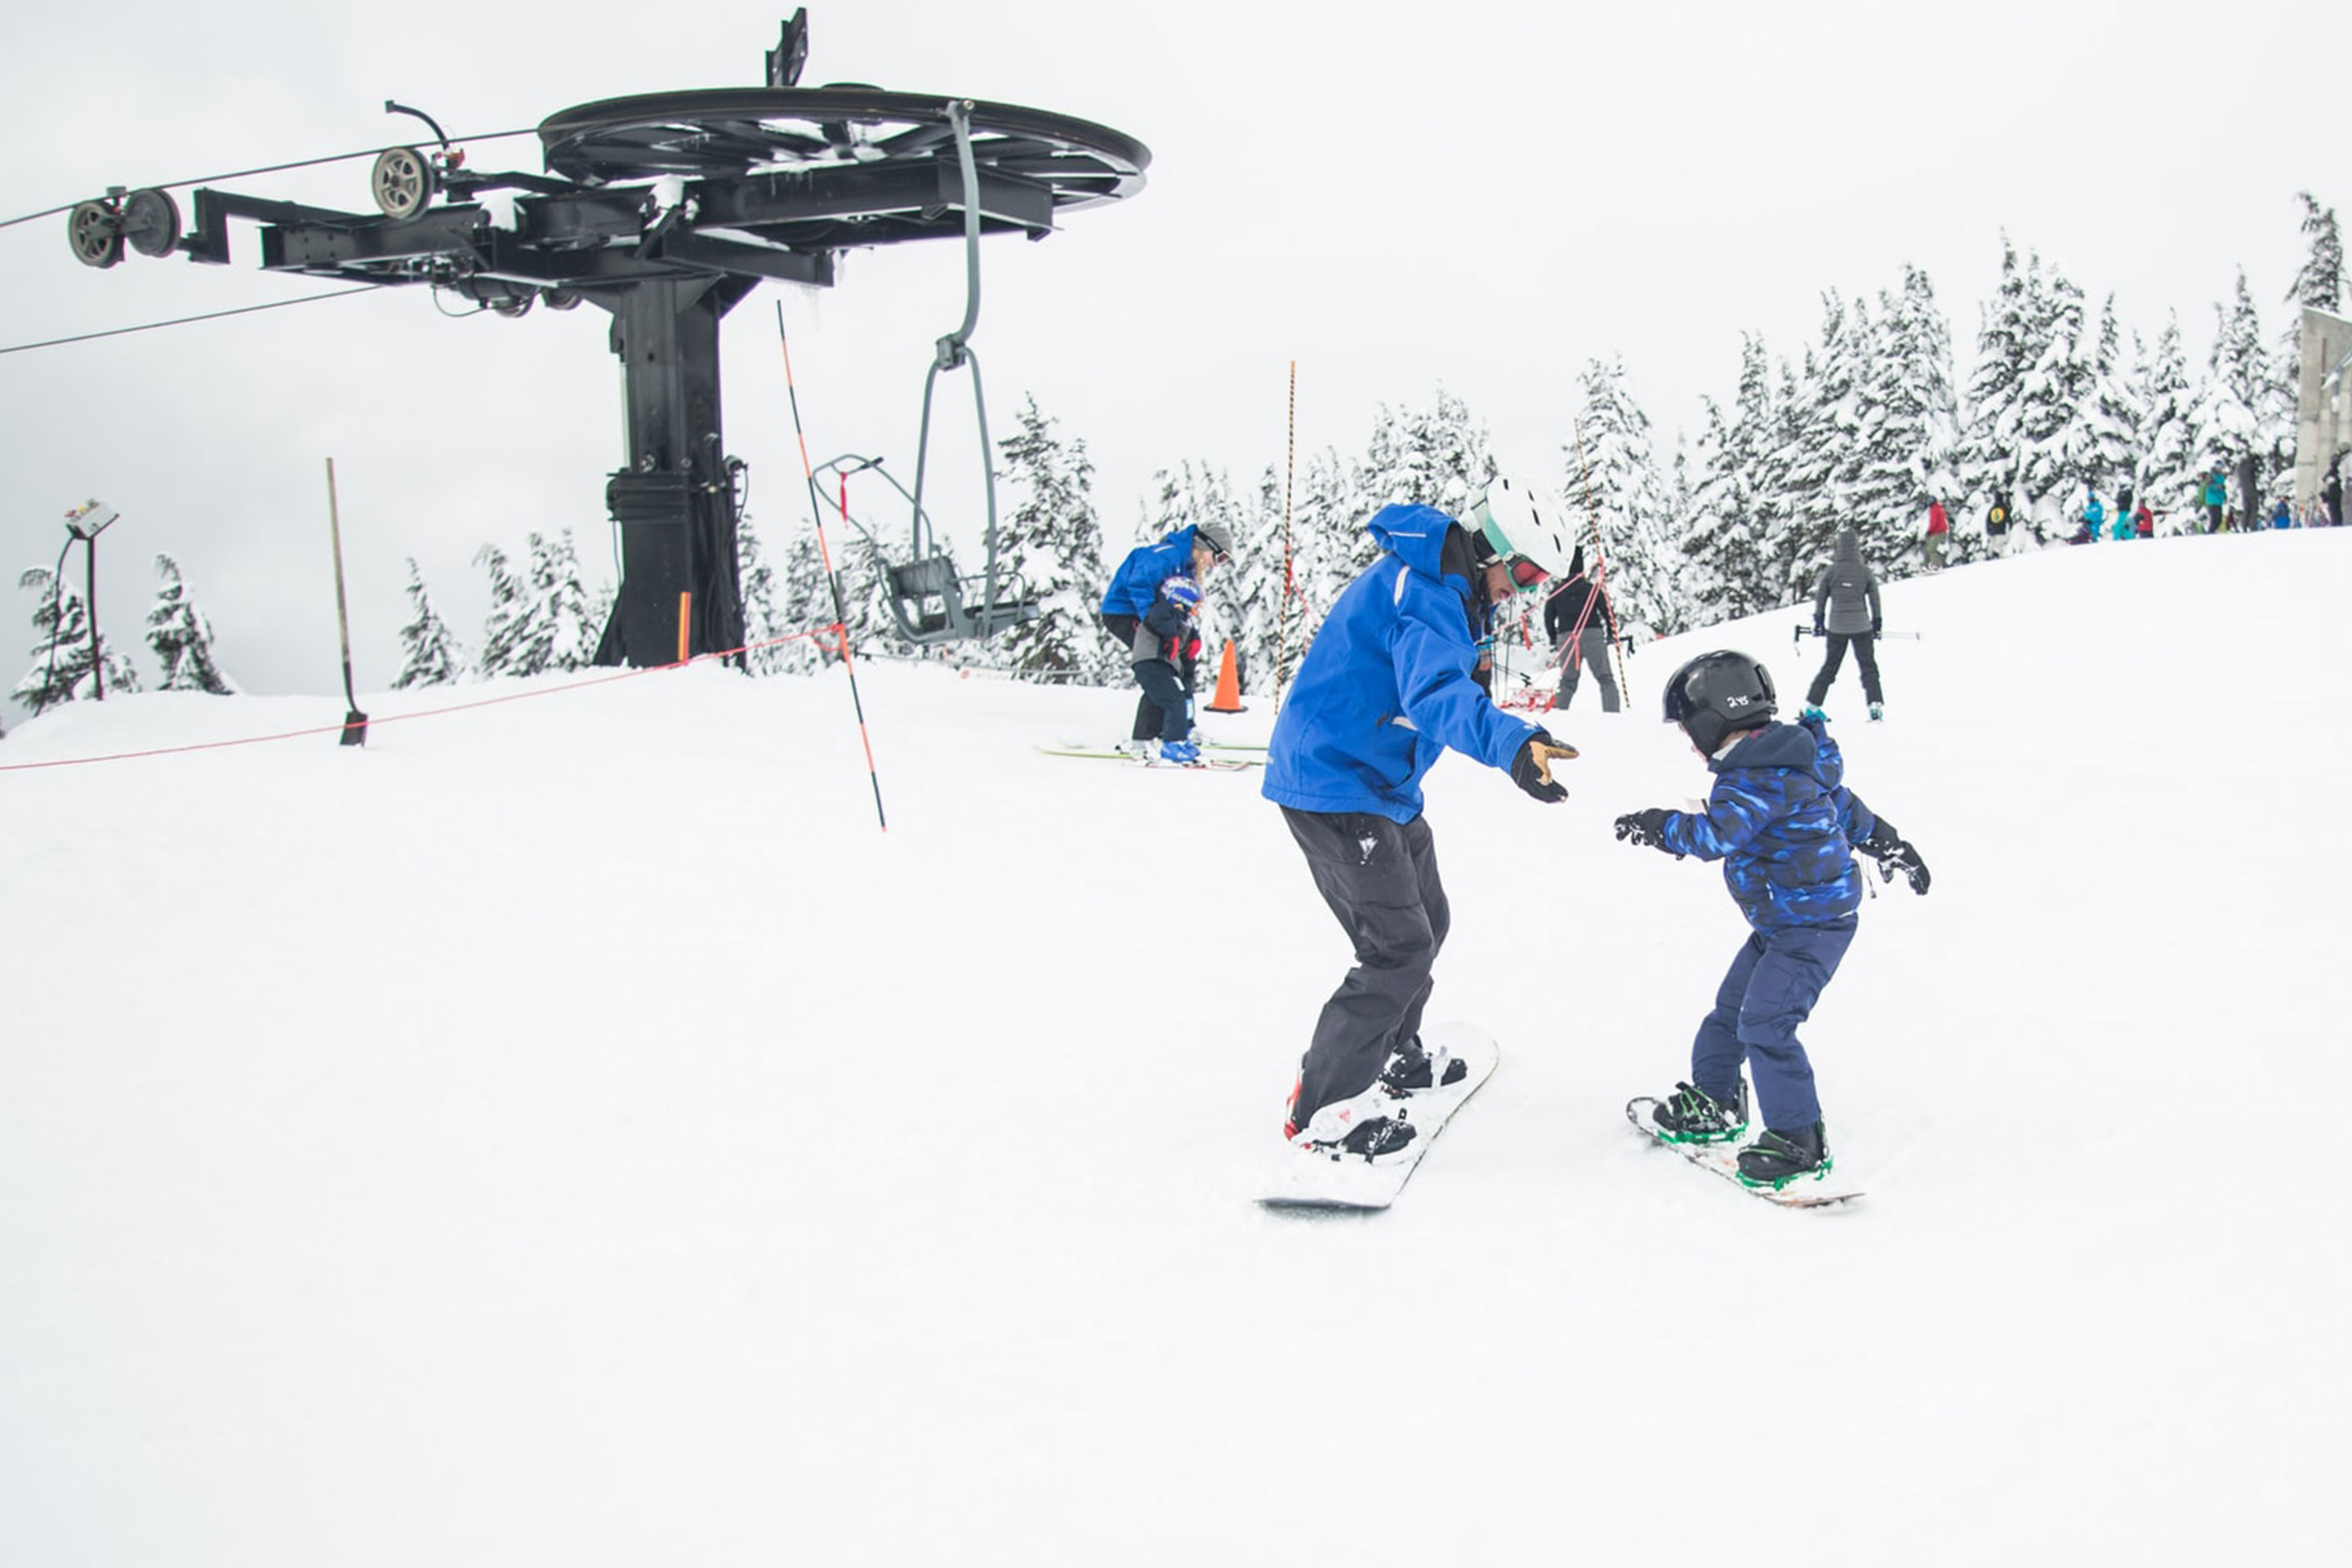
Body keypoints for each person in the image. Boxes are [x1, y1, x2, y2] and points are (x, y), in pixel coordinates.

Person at [1262, 473, 1580, 1160]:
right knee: (1396, 949)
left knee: (1426, 924)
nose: (1522, 588)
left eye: (1537, 580)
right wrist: (1513, 743)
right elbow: (1434, 694)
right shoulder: (1427, 591)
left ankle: (1394, 1055)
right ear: (1492, 546)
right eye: (1523, 570)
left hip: (1378, 783)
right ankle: (1323, 1113)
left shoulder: (1450, 589)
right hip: (1335, 781)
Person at [1612, 651, 1931, 1187]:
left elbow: (1716, 836)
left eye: (1690, 729)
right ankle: (1715, 1102)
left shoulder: (1755, 779)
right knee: (1731, 1012)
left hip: (1812, 929)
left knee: (1766, 1024)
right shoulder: (1792, 761)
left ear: (1714, 721)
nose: (1690, 743)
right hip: (1783, 924)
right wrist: (1891, 844)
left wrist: (1656, 825)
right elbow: (1847, 811)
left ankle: (1798, 1139)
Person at [1098, 519, 1235, 764]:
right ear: (1207, 546)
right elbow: (1139, 584)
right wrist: (1153, 623)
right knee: (1158, 667)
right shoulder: (1167, 556)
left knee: (1175, 667)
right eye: (1220, 557)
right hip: (1124, 611)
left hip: (1154, 617)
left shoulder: (1187, 565)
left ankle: (1172, 729)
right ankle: (1156, 735)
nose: (1218, 565)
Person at [1804, 526, 1885, 721]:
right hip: (1861, 627)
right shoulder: (1864, 572)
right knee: (1868, 667)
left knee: (1830, 667)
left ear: (1838, 548)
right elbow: (1875, 599)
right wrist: (1877, 623)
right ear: (1856, 547)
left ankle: (1812, 707)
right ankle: (1875, 706)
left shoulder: (1831, 572)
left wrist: (1819, 622)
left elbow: (1821, 598)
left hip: (1837, 627)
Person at [1541, 542, 1620, 715]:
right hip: (1592, 634)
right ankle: (1613, 715)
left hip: (1567, 637)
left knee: (1567, 681)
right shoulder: (1592, 590)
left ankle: (1558, 715)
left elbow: (1548, 617)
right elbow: (1608, 613)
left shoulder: (1557, 592)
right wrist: (1612, 633)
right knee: (1605, 678)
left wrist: (1554, 638)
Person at [1924, 497, 1950, 570]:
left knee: (1931, 549)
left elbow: (1934, 522)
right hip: (1940, 531)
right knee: (1929, 548)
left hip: (1938, 531)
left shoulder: (1934, 509)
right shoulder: (1938, 508)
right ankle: (1927, 565)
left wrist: (1930, 530)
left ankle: (1936, 565)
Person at [2203, 465, 2228, 533]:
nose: (2220, 469)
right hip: (2212, 501)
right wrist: (2217, 487)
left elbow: (2222, 489)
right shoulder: (2211, 476)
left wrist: (2225, 497)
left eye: (2221, 468)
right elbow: (2208, 486)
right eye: (2218, 468)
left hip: (2219, 501)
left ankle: (2212, 532)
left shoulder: (2221, 477)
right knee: (2214, 519)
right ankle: (2210, 533)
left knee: (2219, 519)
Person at [2323, 457, 2344, 529]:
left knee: (2334, 514)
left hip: (2332, 496)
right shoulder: (2336, 471)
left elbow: (2324, 480)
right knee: (2337, 514)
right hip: (2337, 496)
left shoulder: (2331, 472)